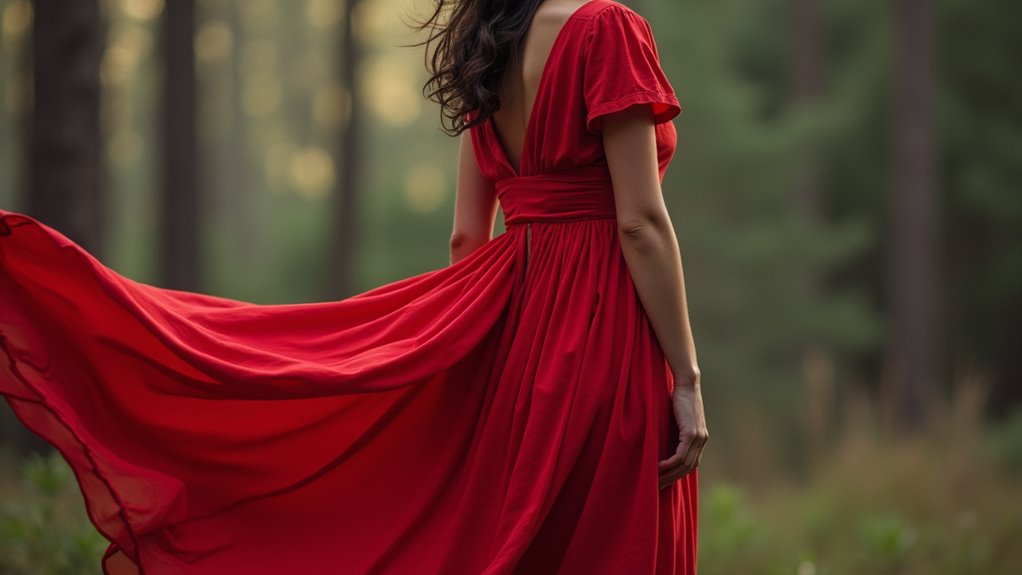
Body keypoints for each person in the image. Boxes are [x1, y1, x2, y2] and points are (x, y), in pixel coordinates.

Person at [0, 0, 707, 572]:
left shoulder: (491, 45)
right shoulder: (608, 28)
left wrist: (475, 359)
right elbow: (639, 222)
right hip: (602, 334)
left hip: (520, 328)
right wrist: (687, 376)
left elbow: (467, 238)